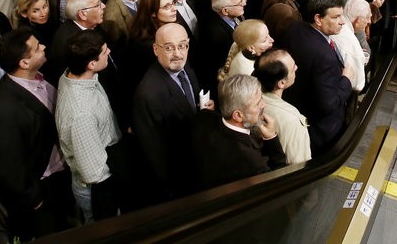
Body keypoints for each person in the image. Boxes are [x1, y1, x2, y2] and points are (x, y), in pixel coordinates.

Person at [0, 30, 73, 239]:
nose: (43, 47)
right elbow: (7, 164)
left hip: (60, 176)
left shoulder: (41, 76)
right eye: (37, 47)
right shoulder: (4, 110)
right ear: (24, 63)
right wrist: (34, 198)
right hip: (43, 189)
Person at [132, 23, 213, 201]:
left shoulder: (184, 67)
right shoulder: (148, 94)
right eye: (169, 48)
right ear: (156, 49)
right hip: (179, 178)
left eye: (182, 46)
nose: (177, 53)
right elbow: (154, 151)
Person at [55, 32, 123, 222]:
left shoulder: (73, 75)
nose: (109, 51)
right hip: (98, 190)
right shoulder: (81, 114)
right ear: (91, 64)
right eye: (104, 52)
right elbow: (94, 171)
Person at [283, 0, 355, 156]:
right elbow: (328, 104)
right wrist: (346, 79)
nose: (342, 21)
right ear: (318, 18)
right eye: (336, 17)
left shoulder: (295, 28)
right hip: (319, 131)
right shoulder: (325, 57)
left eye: (342, 15)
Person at [191, 74, 287, 190]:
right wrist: (271, 138)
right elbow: (279, 180)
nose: (264, 104)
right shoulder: (252, 163)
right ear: (238, 115)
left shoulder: (203, 116)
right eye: (257, 103)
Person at [253, 49, 312, 164]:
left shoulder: (247, 102)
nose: (296, 68)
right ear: (281, 83)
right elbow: (298, 166)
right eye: (293, 67)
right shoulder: (291, 120)